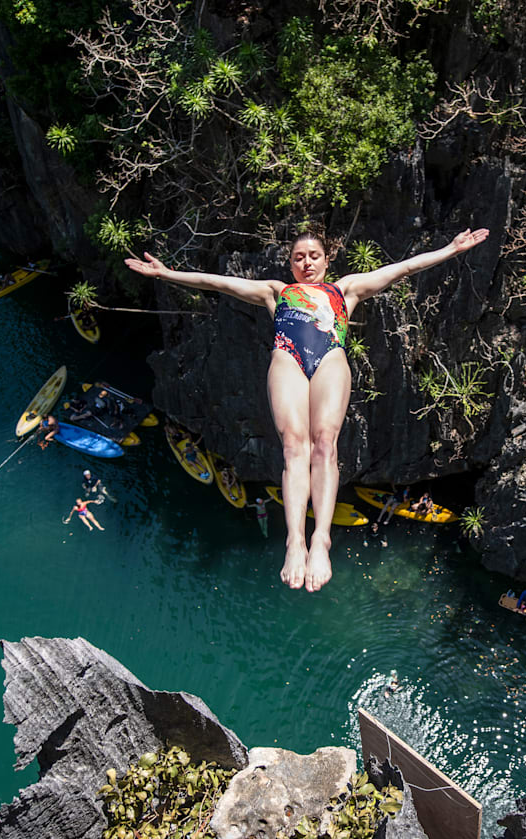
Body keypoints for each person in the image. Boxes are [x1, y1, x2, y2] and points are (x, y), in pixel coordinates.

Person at [125, 226, 489, 591]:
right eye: (299, 257)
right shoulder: (277, 291)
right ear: (291, 264)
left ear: (327, 260)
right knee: (293, 446)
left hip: (330, 358)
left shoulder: (346, 289)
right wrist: (166, 273)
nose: (307, 262)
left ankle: (321, 540)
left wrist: (451, 250)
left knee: (325, 443)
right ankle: (295, 540)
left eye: (313, 256)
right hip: (289, 358)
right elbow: (217, 282)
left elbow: (403, 269)